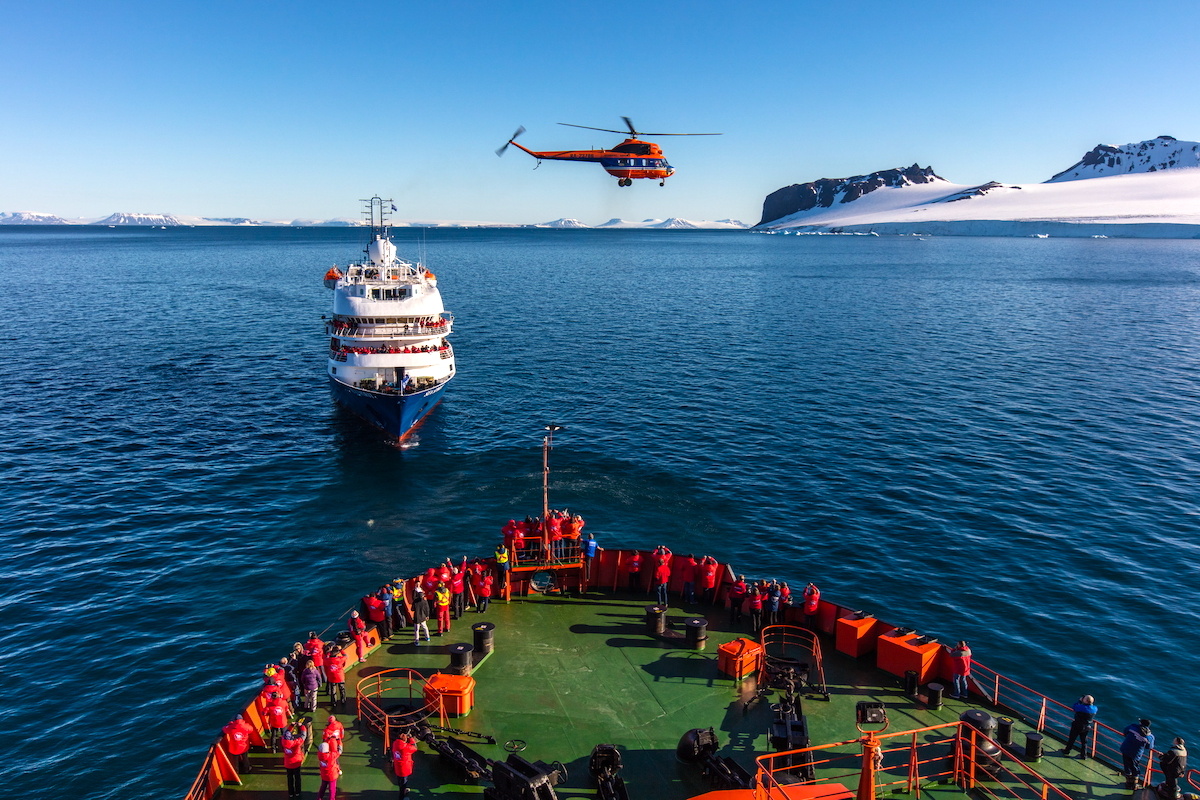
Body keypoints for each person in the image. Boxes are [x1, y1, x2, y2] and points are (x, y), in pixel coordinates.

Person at [1120, 718, 1155, 788]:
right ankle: (1134, 784)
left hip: (1126, 749)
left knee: (1127, 766)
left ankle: (1128, 782)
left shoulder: (1132, 727)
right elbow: (1149, 747)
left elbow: (1125, 731)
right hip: (1136, 754)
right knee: (1135, 768)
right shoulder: (1150, 737)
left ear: (1141, 723)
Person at [281, 720, 308, 799]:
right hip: (296, 763)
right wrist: (301, 726)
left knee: (290, 779)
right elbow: (303, 735)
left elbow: (286, 733)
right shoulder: (296, 743)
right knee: (297, 778)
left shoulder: (283, 741)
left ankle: (291, 793)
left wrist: (291, 726)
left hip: (288, 763)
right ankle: (298, 792)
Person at [391, 730, 418, 798]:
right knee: (403, 783)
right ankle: (402, 796)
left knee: (400, 781)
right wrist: (411, 738)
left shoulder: (395, 743)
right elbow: (415, 748)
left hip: (397, 767)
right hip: (404, 769)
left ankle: (403, 790)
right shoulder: (405, 747)